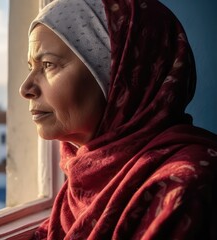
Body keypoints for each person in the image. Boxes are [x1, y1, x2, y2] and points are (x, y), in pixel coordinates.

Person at [19, 0, 217, 239]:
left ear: (122, 73)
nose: (26, 88)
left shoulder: (184, 186)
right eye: (31, 66)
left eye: (48, 64)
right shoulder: (83, 179)